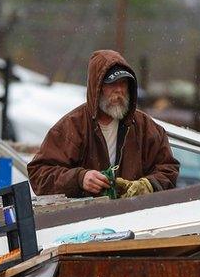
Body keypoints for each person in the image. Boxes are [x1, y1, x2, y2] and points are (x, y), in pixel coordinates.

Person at [27, 49, 179, 198]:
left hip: (136, 217)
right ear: (97, 87)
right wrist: (80, 178)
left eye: (124, 83)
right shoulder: (72, 126)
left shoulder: (145, 127)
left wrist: (147, 185)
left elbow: (168, 168)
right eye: (112, 84)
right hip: (85, 218)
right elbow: (39, 173)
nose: (119, 90)